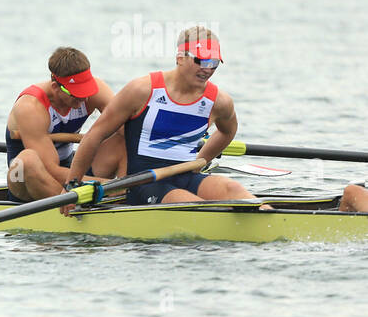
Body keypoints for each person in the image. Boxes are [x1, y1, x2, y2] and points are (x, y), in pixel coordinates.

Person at [63, 27, 265, 210]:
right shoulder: (142, 90)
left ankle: (269, 220)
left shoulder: (219, 101)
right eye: (200, 60)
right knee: (192, 203)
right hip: (143, 184)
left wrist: (201, 160)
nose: (207, 69)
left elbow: (227, 132)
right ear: (180, 57)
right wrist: (72, 185)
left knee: (233, 188)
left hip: (186, 176)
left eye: (213, 63)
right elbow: (94, 135)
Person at [5, 47, 124, 202]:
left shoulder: (97, 90)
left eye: (86, 91)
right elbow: (51, 170)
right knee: (28, 160)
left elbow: (130, 132)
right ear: (55, 87)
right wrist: (109, 184)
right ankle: (75, 204)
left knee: (123, 134)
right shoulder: (30, 107)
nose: (84, 98)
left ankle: (126, 198)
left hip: (71, 171)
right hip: (27, 179)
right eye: (77, 94)